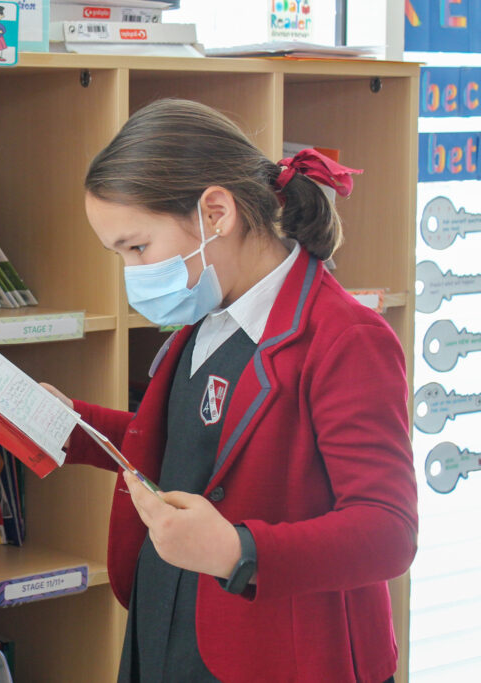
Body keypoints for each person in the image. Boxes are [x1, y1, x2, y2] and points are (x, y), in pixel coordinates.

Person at [41, 99, 418, 683]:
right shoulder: (210, 311)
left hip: (272, 653)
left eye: (137, 248)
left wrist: (238, 550)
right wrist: (71, 425)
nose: (132, 273)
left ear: (216, 212)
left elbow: (387, 531)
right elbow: (188, 445)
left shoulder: (345, 338)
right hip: (166, 627)